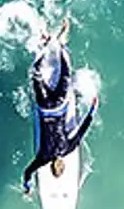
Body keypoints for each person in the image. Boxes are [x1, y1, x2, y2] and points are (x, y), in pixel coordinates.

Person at [20, 17, 97, 196]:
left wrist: (93, 108)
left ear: (62, 163)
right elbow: (27, 173)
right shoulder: (42, 159)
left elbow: (83, 129)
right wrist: (27, 188)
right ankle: (45, 44)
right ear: (50, 167)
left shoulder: (68, 147)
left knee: (66, 72)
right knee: (36, 75)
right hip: (44, 106)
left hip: (61, 104)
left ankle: (60, 43)